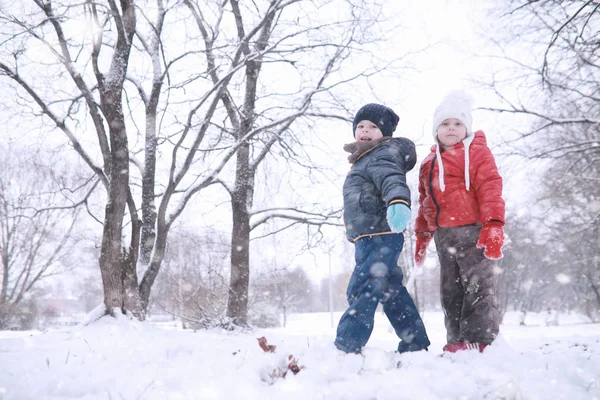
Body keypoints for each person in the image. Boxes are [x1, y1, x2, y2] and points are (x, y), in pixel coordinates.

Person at [334, 103, 430, 354]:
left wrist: (398, 201)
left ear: (384, 132)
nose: (365, 130)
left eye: (373, 126)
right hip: (372, 235)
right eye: (361, 126)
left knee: (362, 288)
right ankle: (415, 342)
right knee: (391, 291)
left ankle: (347, 345)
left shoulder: (380, 154)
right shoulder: (365, 157)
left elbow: (392, 179)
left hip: (378, 233)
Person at [414, 90, 505, 353]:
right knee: (450, 293)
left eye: (457, 123)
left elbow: (490, 186)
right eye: (445, 123)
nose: (451, 128)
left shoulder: (478, 153)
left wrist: (494, 223)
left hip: (474, 232)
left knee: (477, 286)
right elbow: (425, 202)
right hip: (445, 237)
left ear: (467, 128)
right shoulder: (429, 162)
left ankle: (480, 340)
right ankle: (456, 341)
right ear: (436, 129)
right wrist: (422, 236)